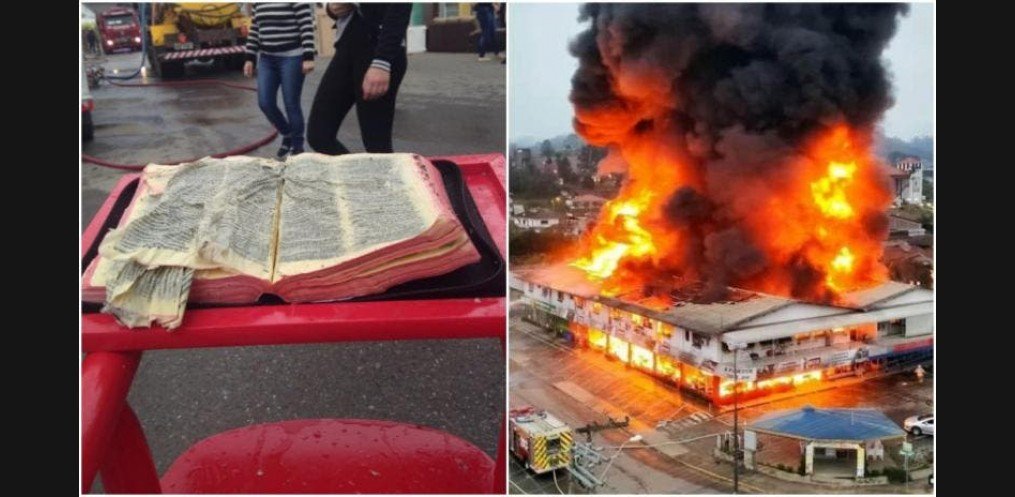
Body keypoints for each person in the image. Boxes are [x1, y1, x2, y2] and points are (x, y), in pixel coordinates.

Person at [307, 3, 412, 155]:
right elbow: (337, 9)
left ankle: (384, 177)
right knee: (319, 136)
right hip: (346, 47)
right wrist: (331, 9)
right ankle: (358, 175)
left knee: (376, 146)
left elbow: (399, 8)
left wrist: (382, 62)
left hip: (378, 49)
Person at [243, 2, 316, 159]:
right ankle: (287, 133)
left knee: (291, 103)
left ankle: (297, 148)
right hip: (267, 59)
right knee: (265, 102)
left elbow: (306, 25)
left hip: (292, 57)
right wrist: (250, 57)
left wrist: (308, 55)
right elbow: (255, 28)